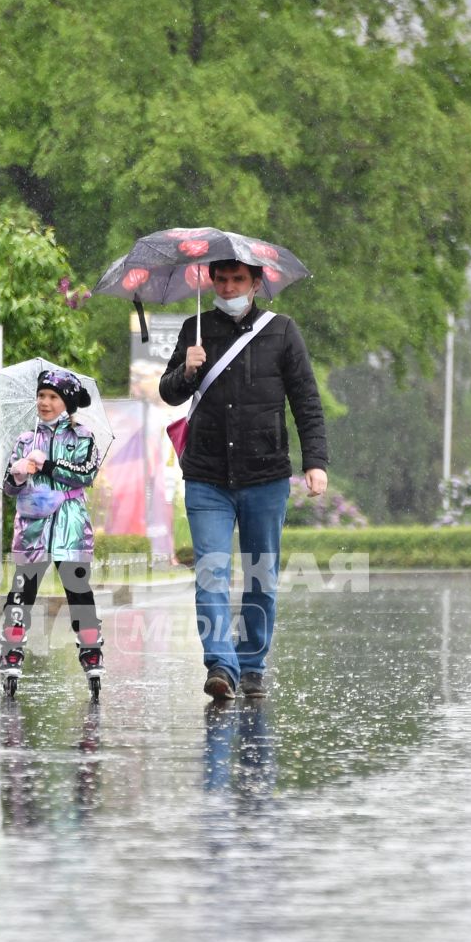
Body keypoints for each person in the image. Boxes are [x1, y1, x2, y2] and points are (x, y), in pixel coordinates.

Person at [159, 258, 327, 703]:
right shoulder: (196, 330)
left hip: (265, 475)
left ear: (256, 283)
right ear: (211, 281)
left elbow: (306, 399)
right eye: (221, 279)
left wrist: (316, 461)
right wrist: (188, 369)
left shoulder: (282, 331)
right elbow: (169, 391)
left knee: (260, 577)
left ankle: (251, 664)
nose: (228, 287)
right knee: (211, 573)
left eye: (238, 280)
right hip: (207, 476)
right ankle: (221, 665)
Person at [0, 368, 103, 699]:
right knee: (21, 592)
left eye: (53, 397)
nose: (45, 402)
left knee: (78, 592)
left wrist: (47, 466)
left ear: (66, 403)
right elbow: (8, 487)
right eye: (41, 395)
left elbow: (86, 474)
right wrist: (16, 475)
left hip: (70, 529)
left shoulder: (83, 437)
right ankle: (12, 650)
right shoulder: (25, 439)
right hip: (32, 529)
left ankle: (91, 651)